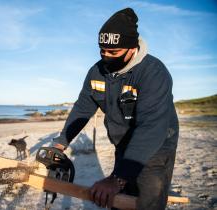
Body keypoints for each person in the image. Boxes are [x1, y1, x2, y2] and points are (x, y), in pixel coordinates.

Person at [52, 8, 179, 210]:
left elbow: (151, 128)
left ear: (132, 48)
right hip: (122, 143)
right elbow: (83, 108)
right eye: (102, 51)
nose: (106, 57)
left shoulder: (153, 72)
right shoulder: (96, 72)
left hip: (156, 146)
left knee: (147, 202)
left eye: (113, 52)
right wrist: (60, 144)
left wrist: (116, 179)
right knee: (118, 201)